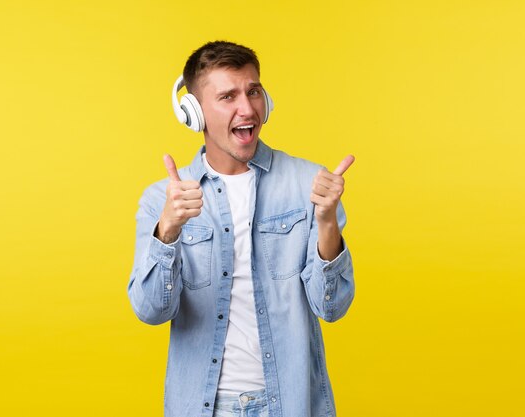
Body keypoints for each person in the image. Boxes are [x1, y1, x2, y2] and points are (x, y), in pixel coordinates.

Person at [128, 40, 355, 417]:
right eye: (228, 96)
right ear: (193, 113)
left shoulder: (310, 185)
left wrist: (327, 222)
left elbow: (331, 308)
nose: (247, 108)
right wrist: (167, 231)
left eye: (253, 92)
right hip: (203, 407)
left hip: (291, 404)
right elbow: (151, 311)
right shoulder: (163, 200)